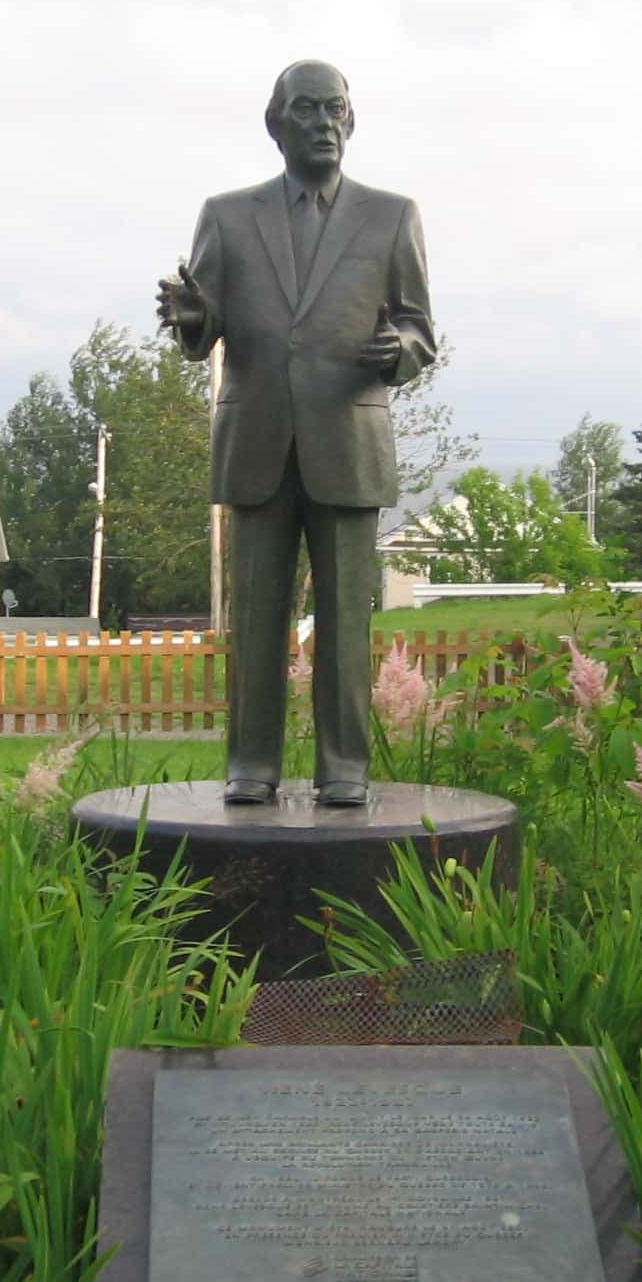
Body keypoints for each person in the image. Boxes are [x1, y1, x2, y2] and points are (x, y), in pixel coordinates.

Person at [156, 60, 437, 806]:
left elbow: (418, 326)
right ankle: (251, 762)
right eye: (307, 110)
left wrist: (400, 352)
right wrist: (190, 316)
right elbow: (204, 317)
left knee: (348, 623)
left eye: (335, 110)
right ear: (277, 124)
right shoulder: (227, 214)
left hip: (348, 438)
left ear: (351, 121)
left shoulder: (392, 215)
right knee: (255, 618)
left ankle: (344, 766)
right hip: (257, 442)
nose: (323, 123)